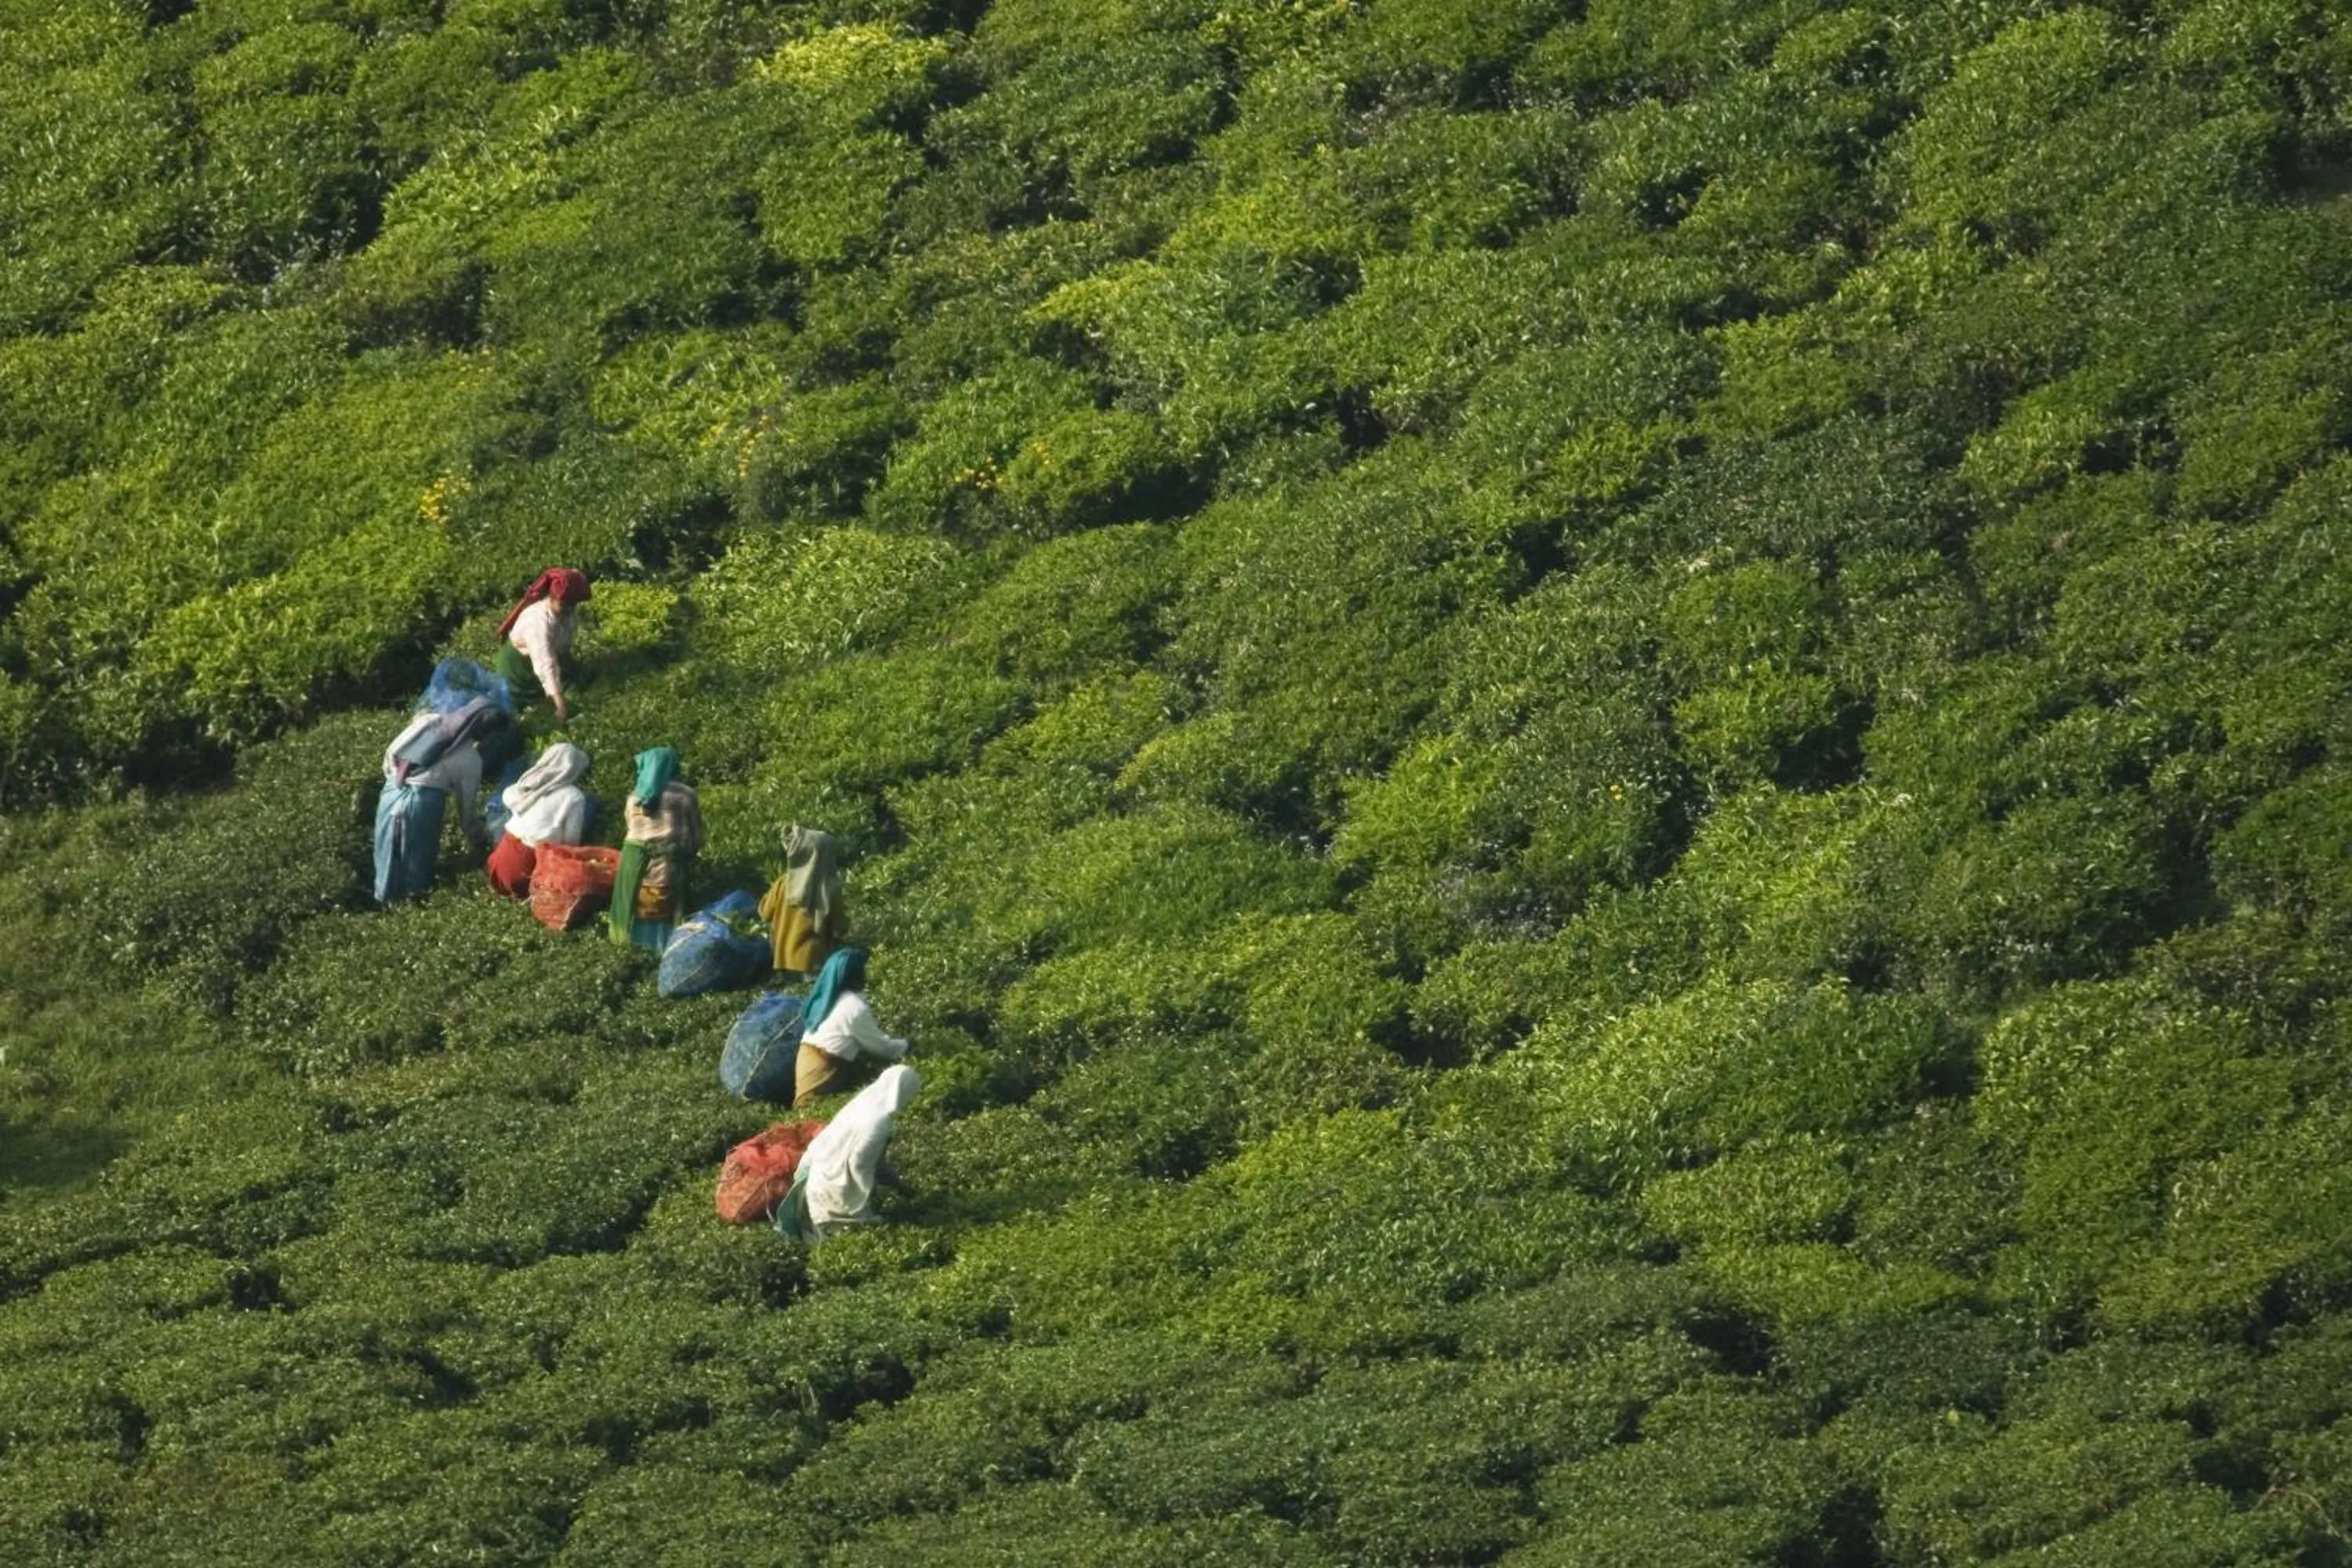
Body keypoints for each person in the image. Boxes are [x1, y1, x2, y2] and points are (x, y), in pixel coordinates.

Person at [373, 699, 506, 903]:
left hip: (392, 790)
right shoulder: (470, 760)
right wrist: (479, 838)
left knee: (386, 851)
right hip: (422, 805)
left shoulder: (429, 720)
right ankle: (412, 905)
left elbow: (392, 752)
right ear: (484, 734)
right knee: (417, 861)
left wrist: (397, 781)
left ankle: (382, 901)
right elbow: (466, 810)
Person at [776, 1063, 920, 1241]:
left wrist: (900, 1188)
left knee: (827, 1243)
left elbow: (876, 1164)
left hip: (816, 1184)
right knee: (865, 1238)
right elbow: (860, 1164)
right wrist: (863, 1206)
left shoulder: (860, 1105)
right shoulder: (880, 1122)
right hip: (836, 1193)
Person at [609, 746, 703, 951]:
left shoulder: (634, 797)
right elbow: (694, 832)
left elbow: (630, 827)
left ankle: (625, 947)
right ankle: (665, 950)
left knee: (634, 902)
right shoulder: (685, 795)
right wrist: (690, 854)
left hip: (633, 859)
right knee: (662, 901)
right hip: (667, 859)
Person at [793, 946, 908, 1108]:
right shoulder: (853, 1008)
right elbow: (882, 1048)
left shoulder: (826, 1002)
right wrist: (906, 1045)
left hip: (810, 1084)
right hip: (819, 1091)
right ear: (855, 976)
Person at [485, 742, 592, 898]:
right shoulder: (573, 796)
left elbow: (507, 797)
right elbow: (571, 843)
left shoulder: (528, 782)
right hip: (527, 869)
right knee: (591, 807)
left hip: (498, 862)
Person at [495, 568, 591, 723]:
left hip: (540, 661)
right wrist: (560, 705)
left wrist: (571, 666)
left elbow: (563, 645)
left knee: (578, 684)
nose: (569, 609)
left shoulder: (567, 613)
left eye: (573, 605)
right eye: (565, 604)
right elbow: (546, 665)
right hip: (517, 670)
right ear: (552, 598)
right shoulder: (538, 623)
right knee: (527, 706)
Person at [759, 824, 848, 979]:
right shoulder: (830, 886)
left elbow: (765, 913)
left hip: (783, 961)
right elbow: (839, 927)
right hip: (812, 964)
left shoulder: (783, 883)